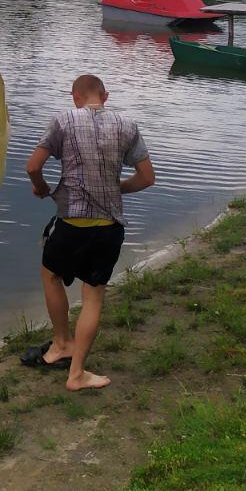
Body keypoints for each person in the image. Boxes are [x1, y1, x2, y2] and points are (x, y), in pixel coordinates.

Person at [20, 73, 155, 390]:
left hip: (71, 223)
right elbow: (147, 178)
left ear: (74, 96)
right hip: (109, 228)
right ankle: (77, 373)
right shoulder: (127, 126)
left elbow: (31, 166)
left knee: (50, 275)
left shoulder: (62, 121)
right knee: (93, 297)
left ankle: (61, 342)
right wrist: (117, 188)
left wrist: (41, 188)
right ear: (104, 96)